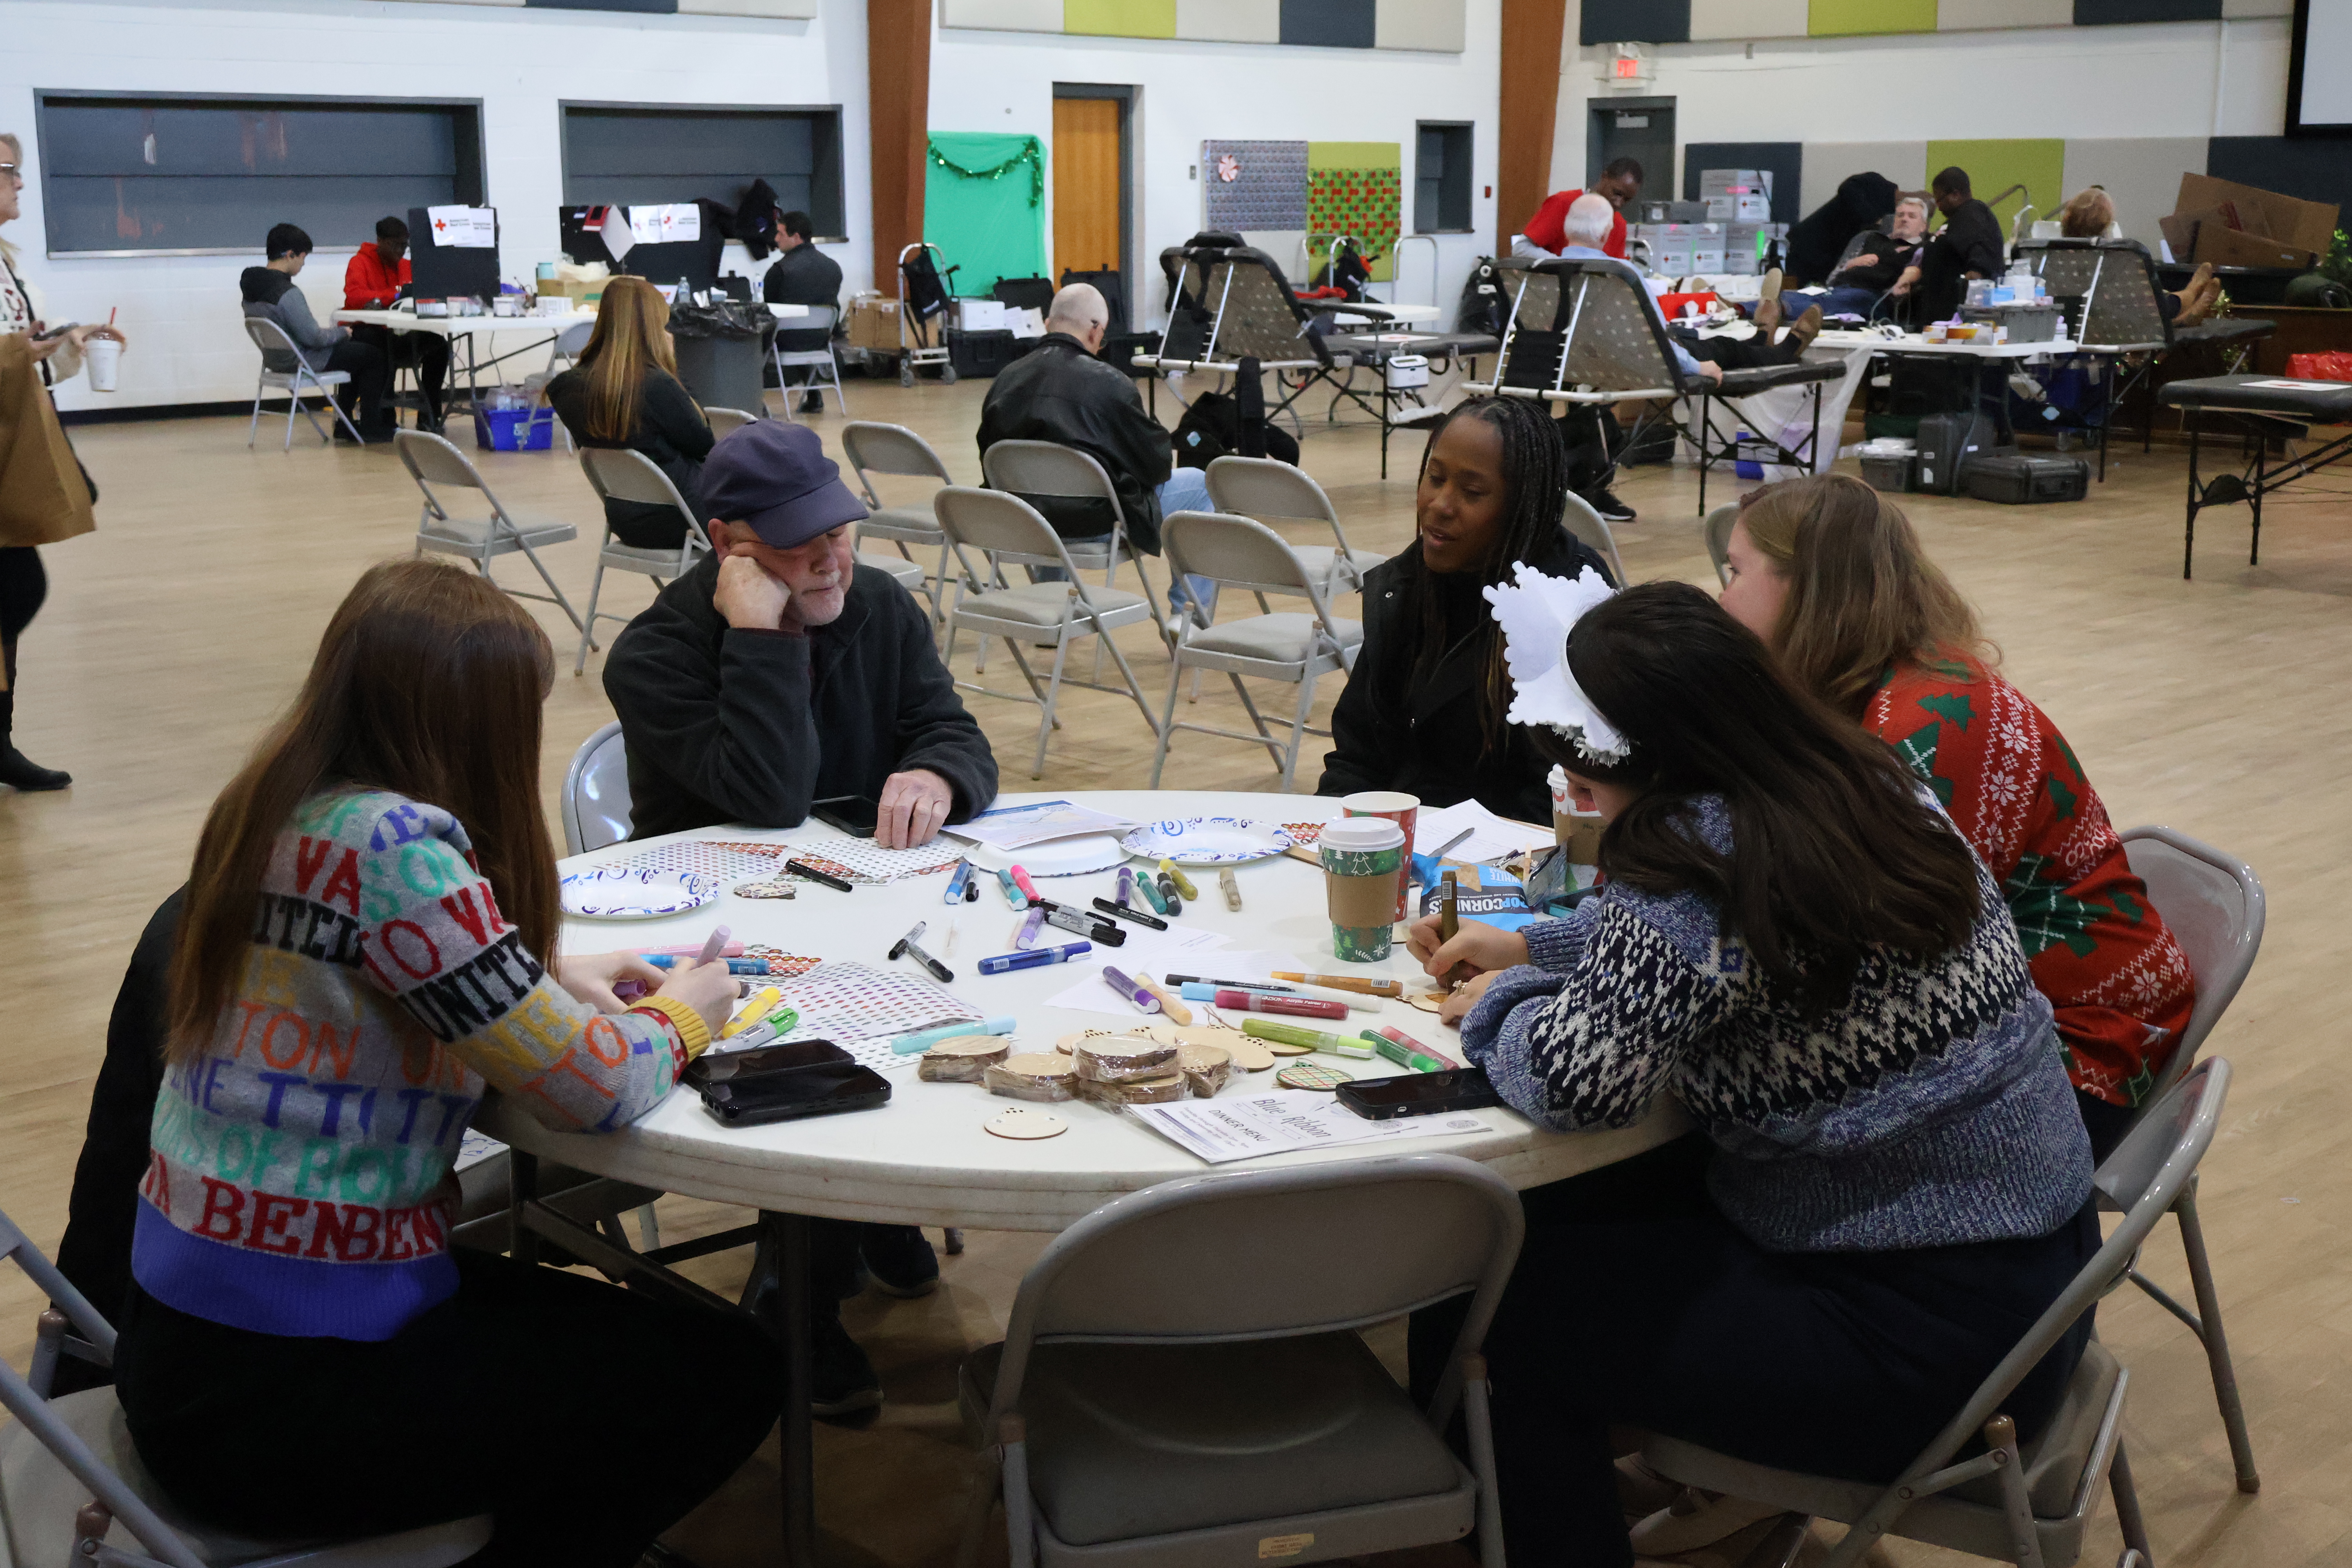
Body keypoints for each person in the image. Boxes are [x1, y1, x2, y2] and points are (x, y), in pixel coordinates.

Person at [1412, 577, 2097, 1568]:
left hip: (1921, 1348)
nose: (1581, 799)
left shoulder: (1696, 864)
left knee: (1485, 1305)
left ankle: (1513, 1521)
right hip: (2037, 1283)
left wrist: (1503, 1006)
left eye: (1588, 779)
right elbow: (1727, 945)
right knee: (1562, 1216)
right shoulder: (1858, 780)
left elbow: (1576, 1082)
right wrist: (1544, 950)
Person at [108, 558, 778, 1566]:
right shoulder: (398, 847)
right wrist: (690, 1014)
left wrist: (541, 973)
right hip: (283, 1394)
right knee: (725, 1373)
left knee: (617, 1349)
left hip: (184, 1342)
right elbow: (597, 1087)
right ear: (467, 725)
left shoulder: (273, 806)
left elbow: (354, 967)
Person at [604, 418, 995, 1412]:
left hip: (874, 910)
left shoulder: (881, 605)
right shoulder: (656, 653)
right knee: (821, 1031)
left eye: (841, 532)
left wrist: (937, 771)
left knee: (958, 993)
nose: (832, 558)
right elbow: (769, 797)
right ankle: (799, 1294)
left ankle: (862, 1213)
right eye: (798, 545)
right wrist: (760, 635)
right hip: (718, 943)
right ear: (731, 546)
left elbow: (956, 731)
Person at [1719, 474, 2197, 1158]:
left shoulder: (1935, 721)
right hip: (2004, 1022)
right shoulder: (1862, 689)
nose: (1720, 598)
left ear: (1809, 589)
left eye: (1735, 573)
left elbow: (1870, 944)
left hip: (2078, 1054)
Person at [1316, 396, 1614, 826]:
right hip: (1402, 845)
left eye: (1472, 492)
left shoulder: (1569, 611)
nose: (1440, 504)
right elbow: (1357, 756)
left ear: (1523, 506)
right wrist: (1340, 837)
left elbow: (1557, 799)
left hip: (1504, 865)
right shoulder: (1404, 587)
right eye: (1434, 478)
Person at [976, 281, 1215, 628]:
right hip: (1097, 523)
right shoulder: (1110, 383)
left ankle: (1052, 612)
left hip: (1029, 523)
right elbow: (1157, 465)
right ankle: (1188, 617)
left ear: (1049, 322)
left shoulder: (1004, 380)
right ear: (1094, 330)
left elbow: (989, 460)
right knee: (1201, 485)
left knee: (1042, 488)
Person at [0, 131, 122, 791]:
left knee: (15, 588)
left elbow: (19, 352)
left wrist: (63, 344)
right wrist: (32, 351)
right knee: (17, 589)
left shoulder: (7, 262)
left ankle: (0, 739)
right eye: (11, 172)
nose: (21, 184)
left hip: (13, 442)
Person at [545, 275, 714, 551]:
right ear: (651, 327)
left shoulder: (567, 388)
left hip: (624, 519)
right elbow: (704, 443)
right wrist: (669, 369)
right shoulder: (657, 386)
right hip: (685, 521)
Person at [240, 222, 392, 441]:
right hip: (303, 360)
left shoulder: (250, 288)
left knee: (356, 353)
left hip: (275, 361)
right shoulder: (288, 293)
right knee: (373, 356)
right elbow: (315, 338)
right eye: (303, 258)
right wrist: (342, 333)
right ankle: (371, 425)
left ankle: (345, 423)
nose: (303, 264)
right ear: (290, 255)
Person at [342, 215, 450, 433]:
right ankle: (381, 418)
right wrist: (394, 295)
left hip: (400, 332)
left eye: (404, 246)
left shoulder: (406, 266)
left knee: (440, 347)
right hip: (372, 331)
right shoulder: (360, 263)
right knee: (375, 348)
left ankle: (429, 416)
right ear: (380, 241)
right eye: (395, 245)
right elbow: (354, 297)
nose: (400, 251)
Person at [2057, 187, 2219, 324]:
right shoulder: (2119, 259)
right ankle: (2192, 294)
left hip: (2072, 328)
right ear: (2106, 226)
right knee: (2156, 301)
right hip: (2123, 323)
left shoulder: (2056, 260)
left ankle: (2179, 319)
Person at [1891, 166, 2005, 322]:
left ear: (1955, 195)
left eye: (1940, 200)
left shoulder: (1973, 215)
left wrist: (1969, 306)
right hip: (1937, 308)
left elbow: (1980, 263)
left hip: (1953, 315)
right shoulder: (1958, 218)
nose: (1938, 207)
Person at [762, 208, 844, 414]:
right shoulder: (833, 268)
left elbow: (768, 314)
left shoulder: (779, 271)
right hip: (822, 340)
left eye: (781, 233)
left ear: (796, 237)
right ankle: (815, 396)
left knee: (756, 338)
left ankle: (755, 402)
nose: (776, 239)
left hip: (786, 341)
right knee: (799, 332)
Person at [1812, 190, 1930, 319]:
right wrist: (1852, 263)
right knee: (1802, 297)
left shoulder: (1922, 249)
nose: (1904, 219)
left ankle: (1789, 309)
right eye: (1900, 215)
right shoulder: (1869, 238)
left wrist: (1903, 283)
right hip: (1837, 290)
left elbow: (1915, 270)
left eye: (1912, 216)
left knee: (1823, 304)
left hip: (1872, 296)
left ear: (1923, 226)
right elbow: (1831, 279)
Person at [1514, 157, 1642, 261]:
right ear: (1605, 177)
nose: (1619, 203)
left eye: (1627, 200)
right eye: (1617, 193)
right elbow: (1521, 249)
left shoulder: (1619, 224)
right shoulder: (1563, 202)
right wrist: (1563, 265)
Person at [1784, 170, 1898, 287]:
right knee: (1794, 289)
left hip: (1830, 251)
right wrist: (1871, 217)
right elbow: (1847, 188)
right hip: (1810, 242)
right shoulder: (1877, 182)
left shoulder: (1891, 212)